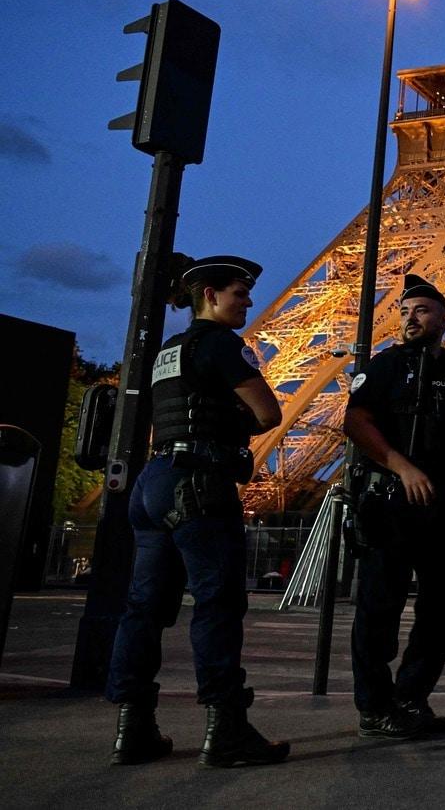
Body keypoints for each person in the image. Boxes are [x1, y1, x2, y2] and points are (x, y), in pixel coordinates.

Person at [106, 254, 289, 768]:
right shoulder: (223, 345)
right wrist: (232, 424)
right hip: (199, 484)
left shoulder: (169, 349)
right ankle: (226, 729)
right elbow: (268, 412)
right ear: (209, 294)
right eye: (239, 293)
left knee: (143, 609)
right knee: (217, 605)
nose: (248, 302)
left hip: (154, 482)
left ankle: (133, 726)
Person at [345, 273, 445, 738]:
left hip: (441, 502)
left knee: (441, 609)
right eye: (405, 311)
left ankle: (411, 697)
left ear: (444, 317)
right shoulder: (384, 366)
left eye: (422, 310)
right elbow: (354, 421)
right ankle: (375, 706)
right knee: (378, 607)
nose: (411, 318)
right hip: (390, 501)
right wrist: (401, 467)